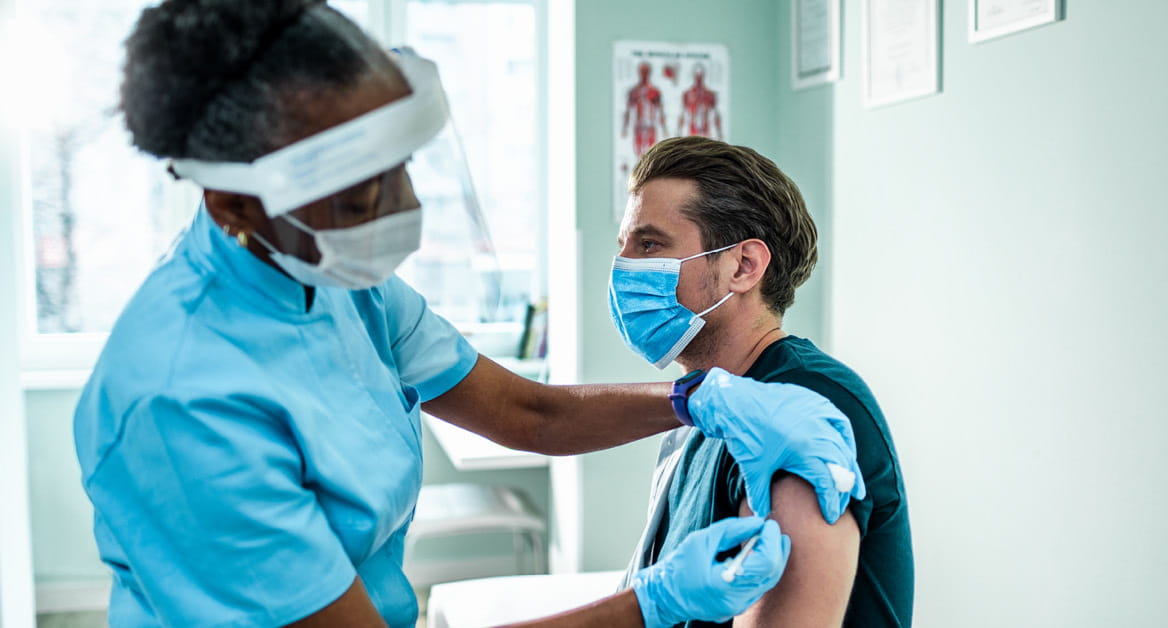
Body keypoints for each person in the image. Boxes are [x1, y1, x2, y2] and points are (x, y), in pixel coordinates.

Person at [72, 2, 864, 627]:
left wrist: (698, 400)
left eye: (400, 170)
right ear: (238, 203)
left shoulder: (335, 275)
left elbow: (529, 413)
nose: (401, 209)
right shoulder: (179, 401)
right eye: (360, 197)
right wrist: (651, 604)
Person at [611, 136, 914, 627]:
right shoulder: (706, 403)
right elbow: (538, 416)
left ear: (744, 266)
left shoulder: (801, 409)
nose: (623, 267)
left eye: (649, 245)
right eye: (623, 246)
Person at [622, 61, 669, 157]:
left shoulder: (654, 91)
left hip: (650, 126)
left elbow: (660, 111)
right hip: (639, 126)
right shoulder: (634, 91)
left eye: (646, 71)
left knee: (652, 153)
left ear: (649, 72)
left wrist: (664, 128)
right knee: (638, 153)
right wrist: (625, 127)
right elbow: (628, 110)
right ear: (639, 72)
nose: (644, 74)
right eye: (642, 71)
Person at [677, 63, 722, 140]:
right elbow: (682, 114)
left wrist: (719, 133)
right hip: (692, 130)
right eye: (697, 74)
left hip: (706, 130)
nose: (699, 77)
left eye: (700, 74)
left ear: (704, 75)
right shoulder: (687, 94)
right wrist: (678, 133)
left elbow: (716, 115)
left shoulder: (710, 94)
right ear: (693, 75)